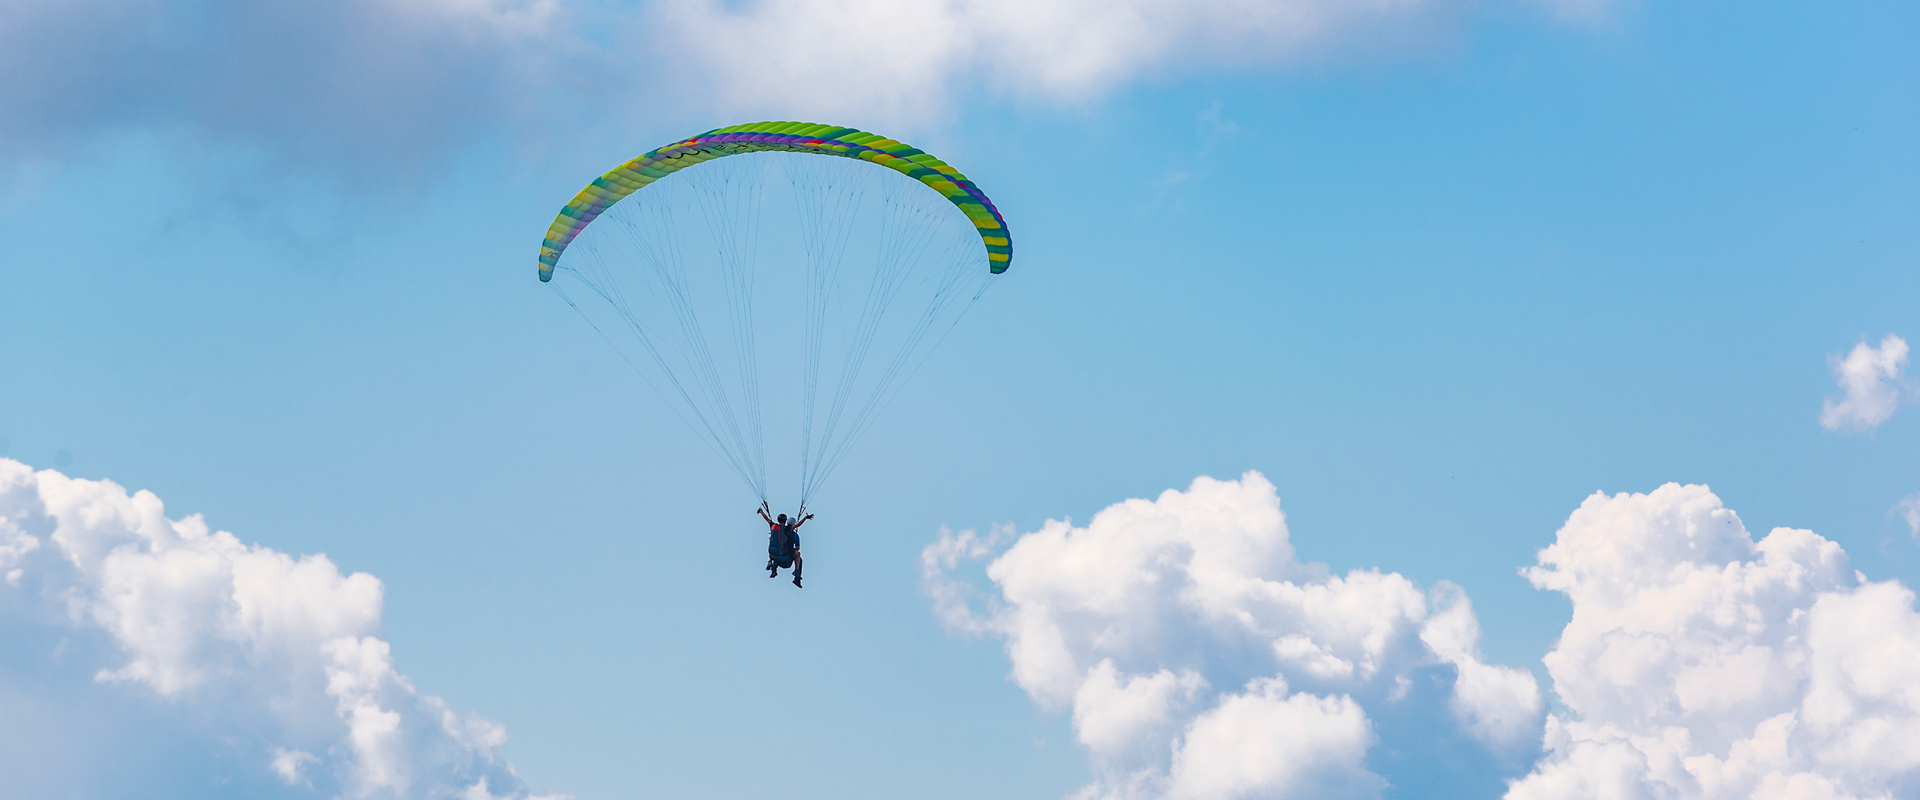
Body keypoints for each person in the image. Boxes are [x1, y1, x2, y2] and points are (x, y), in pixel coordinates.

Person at [756, 504, 812, 587]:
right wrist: (805, 518)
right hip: (785, 558)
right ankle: (797, 574)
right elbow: (798, 525)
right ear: (785, 521)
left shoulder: (773, 526)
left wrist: (761, 511)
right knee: (798, 554)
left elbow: (767, 519)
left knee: (776, 547)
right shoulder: (788, 529)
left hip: (773, 555)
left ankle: (773, 567)